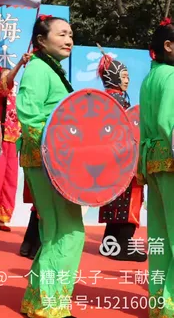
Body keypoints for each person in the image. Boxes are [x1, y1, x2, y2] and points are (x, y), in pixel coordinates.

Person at [16, 14, 82, 318]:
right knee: (68, 232)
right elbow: (29, 116)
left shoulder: (48, 68)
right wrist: (56, 148)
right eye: (62, 34)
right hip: (49, 161)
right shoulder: (38, 69)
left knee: (56, 231)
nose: (69, 40)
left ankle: (37, 300)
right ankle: (51, 304)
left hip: (53, 160)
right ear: (41, 41)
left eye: (70, 34)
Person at [139, 18, 174, 314]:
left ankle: (160, 302)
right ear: (169, 46)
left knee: (160, 235)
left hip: (153, 160)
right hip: (171, 158)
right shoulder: (172, 76)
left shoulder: (151, 77)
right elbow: (167, 122)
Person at [97, 54, 146, 262]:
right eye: (124, 76)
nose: (127, 80)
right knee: (129, 203)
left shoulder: (106, 98)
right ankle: (124, 246)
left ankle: (109, 245)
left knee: (115, 205)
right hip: (124, 160)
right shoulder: (117, 100)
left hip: (110, 162)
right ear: (113, 76)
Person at [0, 54, 31, 232]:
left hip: (14, 143)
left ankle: (1, 218)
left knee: (10, 182)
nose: (12, 80)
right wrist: (20, 63)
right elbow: (6, 83)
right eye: (7, 76)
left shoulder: (17, 98)